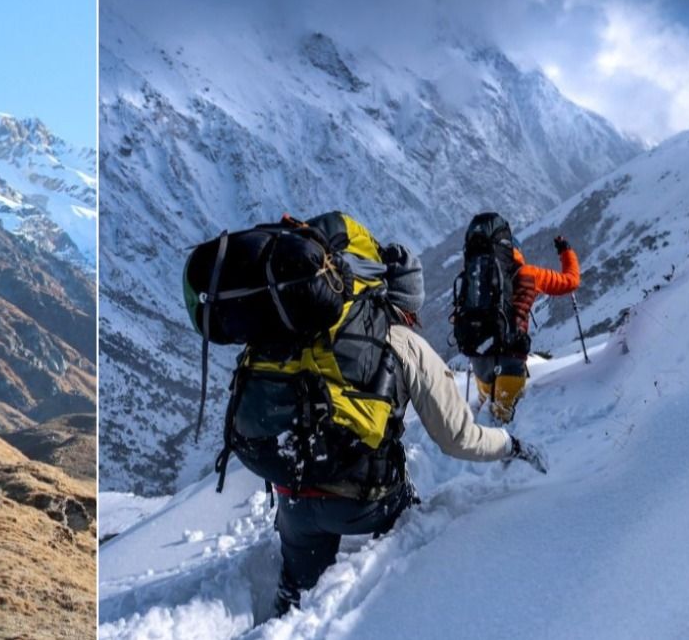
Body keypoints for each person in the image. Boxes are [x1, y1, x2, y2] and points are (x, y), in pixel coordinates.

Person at [188, 212, 549, 616]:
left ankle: (284, 609)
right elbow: (459, 439)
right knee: (413, 533)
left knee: (295, 597)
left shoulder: (292, 329)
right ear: (403, 302)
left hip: (293, 500)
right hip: (364, 504)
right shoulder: (403, 344)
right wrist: (510, 444)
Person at [457, 214, 581, 423]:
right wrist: (566, 252)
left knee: (483, 431)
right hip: (510, 364)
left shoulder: (474, 275)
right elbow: (571, 281)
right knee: (504, 430)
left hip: (479, 363)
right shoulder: (529, 274)